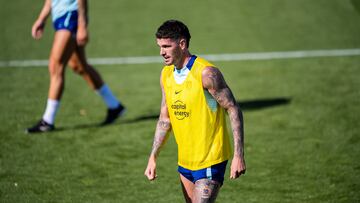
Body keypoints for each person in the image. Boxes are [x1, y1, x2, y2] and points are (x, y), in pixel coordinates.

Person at [144, 20, 246, 203]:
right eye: (160, 46)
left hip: (210, 159)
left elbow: (232, 108)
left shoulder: (206, 74)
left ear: (182, 44)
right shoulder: (166, 75)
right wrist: (153, 156)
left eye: (167, 46)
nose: (162, 52)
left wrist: (238, 155)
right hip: (185, 161)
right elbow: (165, 119)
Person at [26, 0, 125, 133]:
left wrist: (82, 25)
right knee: (78, 66)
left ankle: (47, 121)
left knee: (55, 66)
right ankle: (114, 106)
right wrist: (41, 18)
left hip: (70, 15)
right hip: (61, 16)